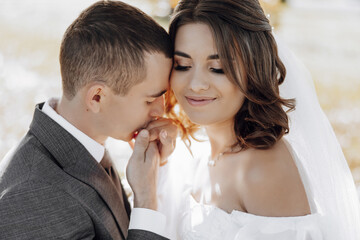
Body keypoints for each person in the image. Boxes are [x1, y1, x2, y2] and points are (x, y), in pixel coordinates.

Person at [158, 0, 360, 239]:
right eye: (183, 65)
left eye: (218, 68)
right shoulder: (192, 150)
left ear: (254, 70)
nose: (196, 84)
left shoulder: (263, 169)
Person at [0, 1, 177, 239]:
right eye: (150, 99)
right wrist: (145, 200)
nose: (160, 112)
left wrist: (154, 174)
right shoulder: (33, 195)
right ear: (96, 97)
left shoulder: (83, 142)